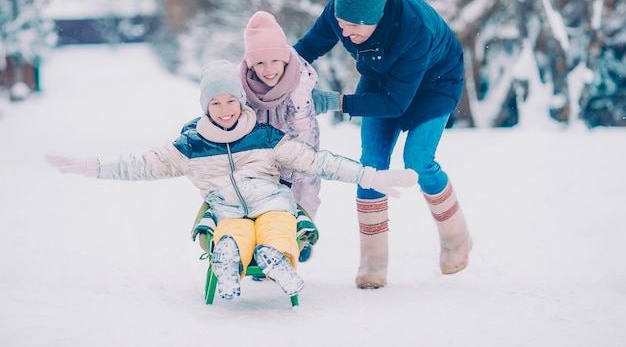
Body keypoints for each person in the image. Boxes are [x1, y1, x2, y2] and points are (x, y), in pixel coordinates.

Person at [45, 60, 418, 300]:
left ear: (241, 102)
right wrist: (86, 166)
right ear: (206, 107)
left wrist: (371, 175)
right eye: (215, 103)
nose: (224, 110)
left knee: (279, 223)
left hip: (270, 202)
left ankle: (274, 258)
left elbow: (317, 162)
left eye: (230, 101)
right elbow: (138, 165)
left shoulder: (265, 136)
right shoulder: (191, 146)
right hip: (226, 209)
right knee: (233, 231)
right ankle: (228, 263)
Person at [293, 0, 473, 289]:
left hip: (436, 84)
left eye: (354, 28)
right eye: (341, 25)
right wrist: (267, 72)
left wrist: (337, 101)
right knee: (371, 167)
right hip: (382, 79)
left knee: (418, 160)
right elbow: (307, 48)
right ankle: (372, 263)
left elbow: (394, 104)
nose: (344, 34)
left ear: (375, 20)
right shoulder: (343, 11)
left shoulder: (414, 29)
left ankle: (456, 238)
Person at [240, 11, 321, 262]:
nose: (269, 69)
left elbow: (303, 132)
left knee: (303, 190)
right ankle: (263, 244)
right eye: (261, 63)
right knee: (260, 195)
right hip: (261, 149)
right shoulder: (242, 85)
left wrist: (291, 172)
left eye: (275, 61)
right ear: (251, 64)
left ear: (285, 59)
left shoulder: (297, 86)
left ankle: (301, 233)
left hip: (298, 148)